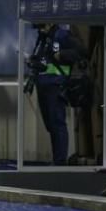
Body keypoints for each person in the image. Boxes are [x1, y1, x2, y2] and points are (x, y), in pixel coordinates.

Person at [29, 23, 82, 165]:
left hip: (56, 85)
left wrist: (62, 55)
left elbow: (80, 52)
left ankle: (60, 161)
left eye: (41, 26)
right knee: (50, 125)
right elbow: (42, 59)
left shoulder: (62, 35)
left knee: (57, 123)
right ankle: (57, 159)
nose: (39, 29)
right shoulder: (42, 38)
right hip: (42, 84)